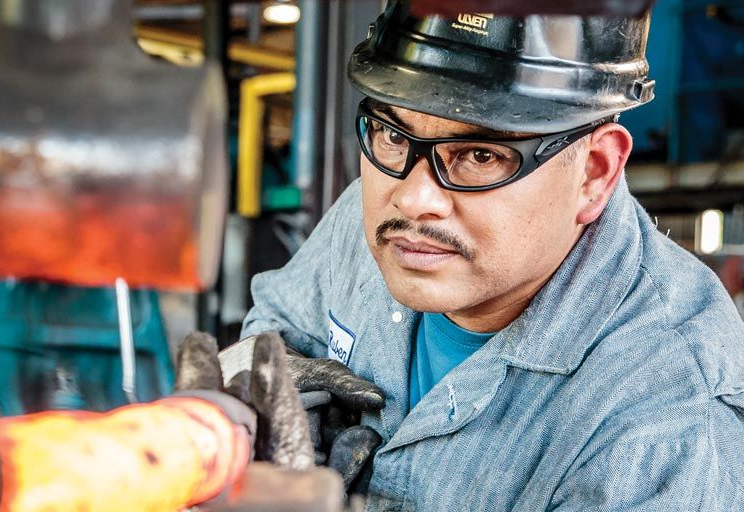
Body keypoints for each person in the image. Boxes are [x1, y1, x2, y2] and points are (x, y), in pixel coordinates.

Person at [241, 2, 744, 510]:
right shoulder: (373, 218)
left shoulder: (666, 428)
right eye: (394, 134)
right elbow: (276, 324)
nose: (414, 199)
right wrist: (249, 407)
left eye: (481, 155)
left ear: (593, 172)